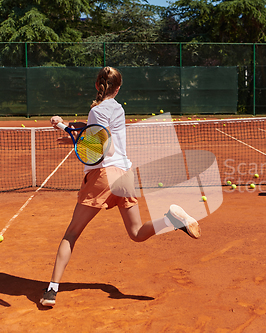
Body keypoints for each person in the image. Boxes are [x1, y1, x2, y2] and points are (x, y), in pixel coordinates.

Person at [40, 66, 201, 307]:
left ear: (97, 85)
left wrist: (65, 128)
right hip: (125, 175)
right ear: (118, 88)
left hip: (103, 175)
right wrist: (67, 128)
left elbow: (99, 147)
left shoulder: (96, 110)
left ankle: (52, 290)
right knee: (136, 233)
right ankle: (170, 220)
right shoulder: (118, 108)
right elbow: (97, 131)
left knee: (71, 234)